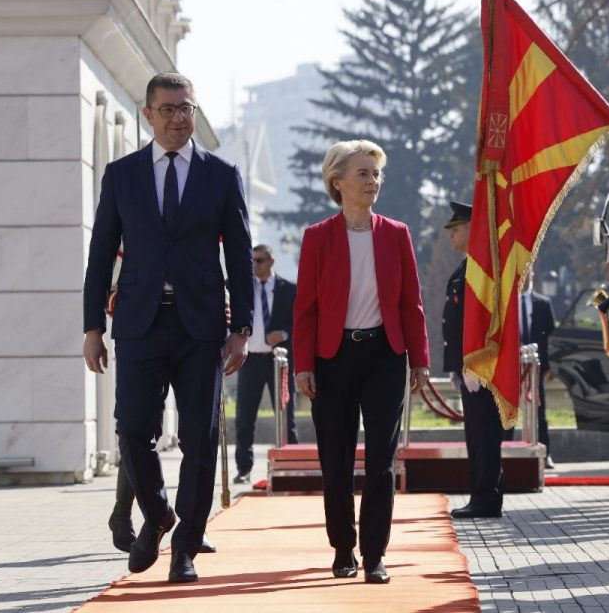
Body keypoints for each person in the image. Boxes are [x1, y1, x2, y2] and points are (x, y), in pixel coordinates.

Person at [83, 72, 254, 584]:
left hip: (200, 326)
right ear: (148, 114)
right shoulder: (122, 174)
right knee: (133, 428)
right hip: (139, 321)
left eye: (187, 109)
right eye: (170, 109)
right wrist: (92, 326)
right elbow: (99, 256)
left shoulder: (220, 175)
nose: (180, 118)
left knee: (200, 440)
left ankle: (184, 548)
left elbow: (240, 256)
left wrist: (241, 326)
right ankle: (158, 514)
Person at [293, 139, 430, 585]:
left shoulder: (396, 233)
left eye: (376, 174)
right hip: (332, 358)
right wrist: (303, 364)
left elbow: (412, 303)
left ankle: (375, 555)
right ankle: (342, 549)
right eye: (364, 174)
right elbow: (305, 308)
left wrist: (419, 360)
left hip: (385, 356)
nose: (373, 181)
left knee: (381, 462)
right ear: (338, 182)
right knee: (335, 458)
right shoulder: (317, 237)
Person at [442, 201, 505, 520]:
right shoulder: (469, 266)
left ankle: (486, 497)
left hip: (480, 367)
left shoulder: (481, 268)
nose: (452, 236)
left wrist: (475, 362)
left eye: (456, 229)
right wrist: (456, 364)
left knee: (484, 435)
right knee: (477, 434)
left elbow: (480, 318)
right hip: (469, 365)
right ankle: (481, 494)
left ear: (472, 228)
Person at [234, 244, 299, 484]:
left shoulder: (289, 290)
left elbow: (301, 323)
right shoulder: (241, 288)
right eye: (252, 261)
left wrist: (284, 333)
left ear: (271, 261)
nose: (255, 265)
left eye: (259, 260)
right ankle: (243, 468)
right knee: (244, 417)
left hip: (278, 362)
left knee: (285, 415)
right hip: (250, 360)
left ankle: (292, 464)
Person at [503, 268, 557, 468]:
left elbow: (550, 337)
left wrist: (550, 366)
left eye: (527, 274)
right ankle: (505, 449)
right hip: (511, 367)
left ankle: (545, 454)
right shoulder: (505, 303)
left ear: (532, 276)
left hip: (536, 367)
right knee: (508, 410)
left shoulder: (543, 304)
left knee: (539, 412)